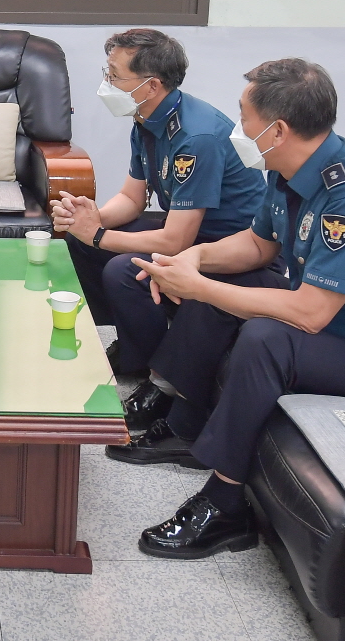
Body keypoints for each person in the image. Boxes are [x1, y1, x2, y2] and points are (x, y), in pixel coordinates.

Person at [106, 58, 345, 560]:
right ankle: (182, 426)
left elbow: (310, 314)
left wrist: (199, 286)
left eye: (244, 117)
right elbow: (257, 245)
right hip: (342, 334)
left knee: (267, 338)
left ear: (278, 130)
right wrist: (193, 259)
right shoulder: (287, 170)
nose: (237, 128)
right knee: (221, 284)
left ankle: (225, 506)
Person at [53, 29, 264, 429]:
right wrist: (91, 219)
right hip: (188, 227)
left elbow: (176, 240)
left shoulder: (196, 137)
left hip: (228, 242)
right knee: (81, 244)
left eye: (115, 75)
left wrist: (99, 235)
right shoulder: (147, 117)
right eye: (107, 72)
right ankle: (134, 349)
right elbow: (132, 198)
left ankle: (158, 375)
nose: (107, 83)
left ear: (151, 85)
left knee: (124, 268)